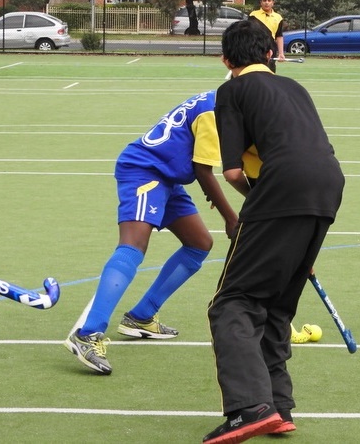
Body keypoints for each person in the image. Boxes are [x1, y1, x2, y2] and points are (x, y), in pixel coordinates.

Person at [203, 20, 345, 443]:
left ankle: (251, 408)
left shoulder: (231, 90)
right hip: (329, 187)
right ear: (270, 54)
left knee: (232, 302)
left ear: (227, 60)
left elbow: (230, 172)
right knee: (277, 304)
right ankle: (278, 407)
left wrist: (257, 204)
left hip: (280, 188)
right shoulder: (296, 87)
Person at [65, 91, 239, 375]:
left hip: (167, 176)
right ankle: (87, 335)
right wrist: (230, 218)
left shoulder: (216, 99)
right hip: (145, 170)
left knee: (199, 243)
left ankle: (141, 316)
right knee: (133, 245)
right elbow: (203, 170)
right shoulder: (213, 111)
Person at [248, 0, 285, 73]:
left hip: (270, 52)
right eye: (264, 0)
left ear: (273, 2)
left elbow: (279, 36)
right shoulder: (253, 15)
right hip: (255, 52)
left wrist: (281, 53)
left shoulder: (278, 18)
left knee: (269, 77)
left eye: (269, 0)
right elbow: (248, 34)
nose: (266, 3)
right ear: (260, 2)